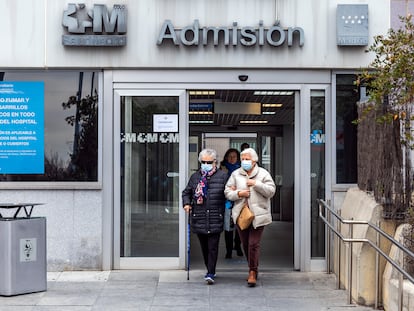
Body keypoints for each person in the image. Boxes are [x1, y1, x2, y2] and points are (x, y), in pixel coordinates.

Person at [224, 147, 276, 287]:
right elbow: (227, 192)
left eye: (247, 159)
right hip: (241, 214)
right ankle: (253, 267)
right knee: (246, 244)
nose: (245, 161)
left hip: (259, 214)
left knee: (253, 244)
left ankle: (252, 272)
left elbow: (271, 191)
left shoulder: (263, 174)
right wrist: (239, 194)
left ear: (254, 161)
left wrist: (256, 184)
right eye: (243, 159)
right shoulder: (236, 174)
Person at [182, 148, 228, 285]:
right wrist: (186, 204)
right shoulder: (195, 177)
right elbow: (186, 193)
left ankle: (210, 272)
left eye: (209, 162)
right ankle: (210, 268)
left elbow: (229, 194)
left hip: (215, 216)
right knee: (204, 247)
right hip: (199, 216)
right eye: (203, 162)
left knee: (213, 246)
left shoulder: (223, 176)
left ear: (215, 162)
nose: (206, 164)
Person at [220, 148, 243, 259]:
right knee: (228, 227)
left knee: (240, 226)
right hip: (227, 203)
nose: (232, 159)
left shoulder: (242, 169)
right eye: (229, 156)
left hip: (240, 201)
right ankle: (228, 250)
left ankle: (238, 246)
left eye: (234, 156)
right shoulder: (222, 169)